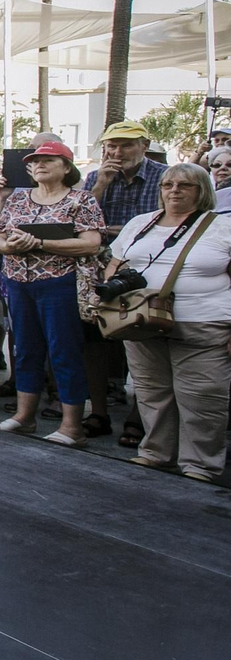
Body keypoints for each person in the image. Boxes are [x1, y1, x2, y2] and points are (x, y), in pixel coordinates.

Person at [104, 163, 231, 481]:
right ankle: (156, 453)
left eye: (185, 185)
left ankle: (200, 466)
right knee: (150, 392)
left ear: (202, 191)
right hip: (142, 320)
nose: (174, 190)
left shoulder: (222, 227)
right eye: (168, 184)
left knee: (202, 397)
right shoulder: (140, 224)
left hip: (204, 322)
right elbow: (114, 264)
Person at [0, 141, 104, 443]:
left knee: (64, 351)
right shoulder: (17, 198)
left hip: (59, 283)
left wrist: (40, 244)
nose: (39, 164)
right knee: (25, 349)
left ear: (67, 166)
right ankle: (25, 416)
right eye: (34, 161)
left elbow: (91, 243)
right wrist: (9, 246)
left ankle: (72, 426)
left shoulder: (81, 200)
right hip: (18, 282)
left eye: (48, 160)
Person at [80, 120, 168, 445]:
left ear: (144, 146)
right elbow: (82, 221)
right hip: (102, 271)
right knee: (95, 340)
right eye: (112, 146)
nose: (118, 152)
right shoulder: (95, 177)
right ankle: (99, 412)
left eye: (127, 145)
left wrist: (110, 230)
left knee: (144, 338)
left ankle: (137, 416)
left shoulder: (164, 176)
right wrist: (101, 184)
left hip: (149, 269)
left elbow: (162, 226)